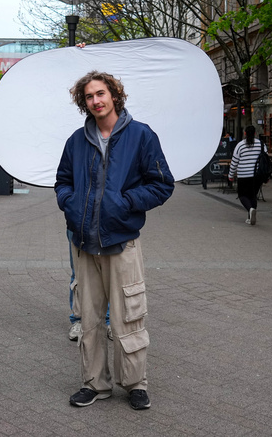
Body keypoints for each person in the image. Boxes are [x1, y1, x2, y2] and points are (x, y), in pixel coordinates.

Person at [55, 70, 174, 411]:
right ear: (84, 103)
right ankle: (94, 384)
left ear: (114, 95)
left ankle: (135, 384)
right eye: (89, 97)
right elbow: (62, 181)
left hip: (122, 244)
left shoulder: (141, 136)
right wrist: (71, 203)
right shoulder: (76, 141)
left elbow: (162, 184)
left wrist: (124, 204)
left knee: (128, 318)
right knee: (89, 321)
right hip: (84, 245)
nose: (96, 101)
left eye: (100, 93)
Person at [228, 125, 266, 226]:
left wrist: (231, 174)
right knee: (253, 195)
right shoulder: (261, 144)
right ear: (254, 133)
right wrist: (266, 176)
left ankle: (250, 210)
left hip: (243, 174)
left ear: (245, 133)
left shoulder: (240, 145)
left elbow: (234, 161)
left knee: (242, 195)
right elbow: (265, 160)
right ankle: (250, 216)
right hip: (257, 176)